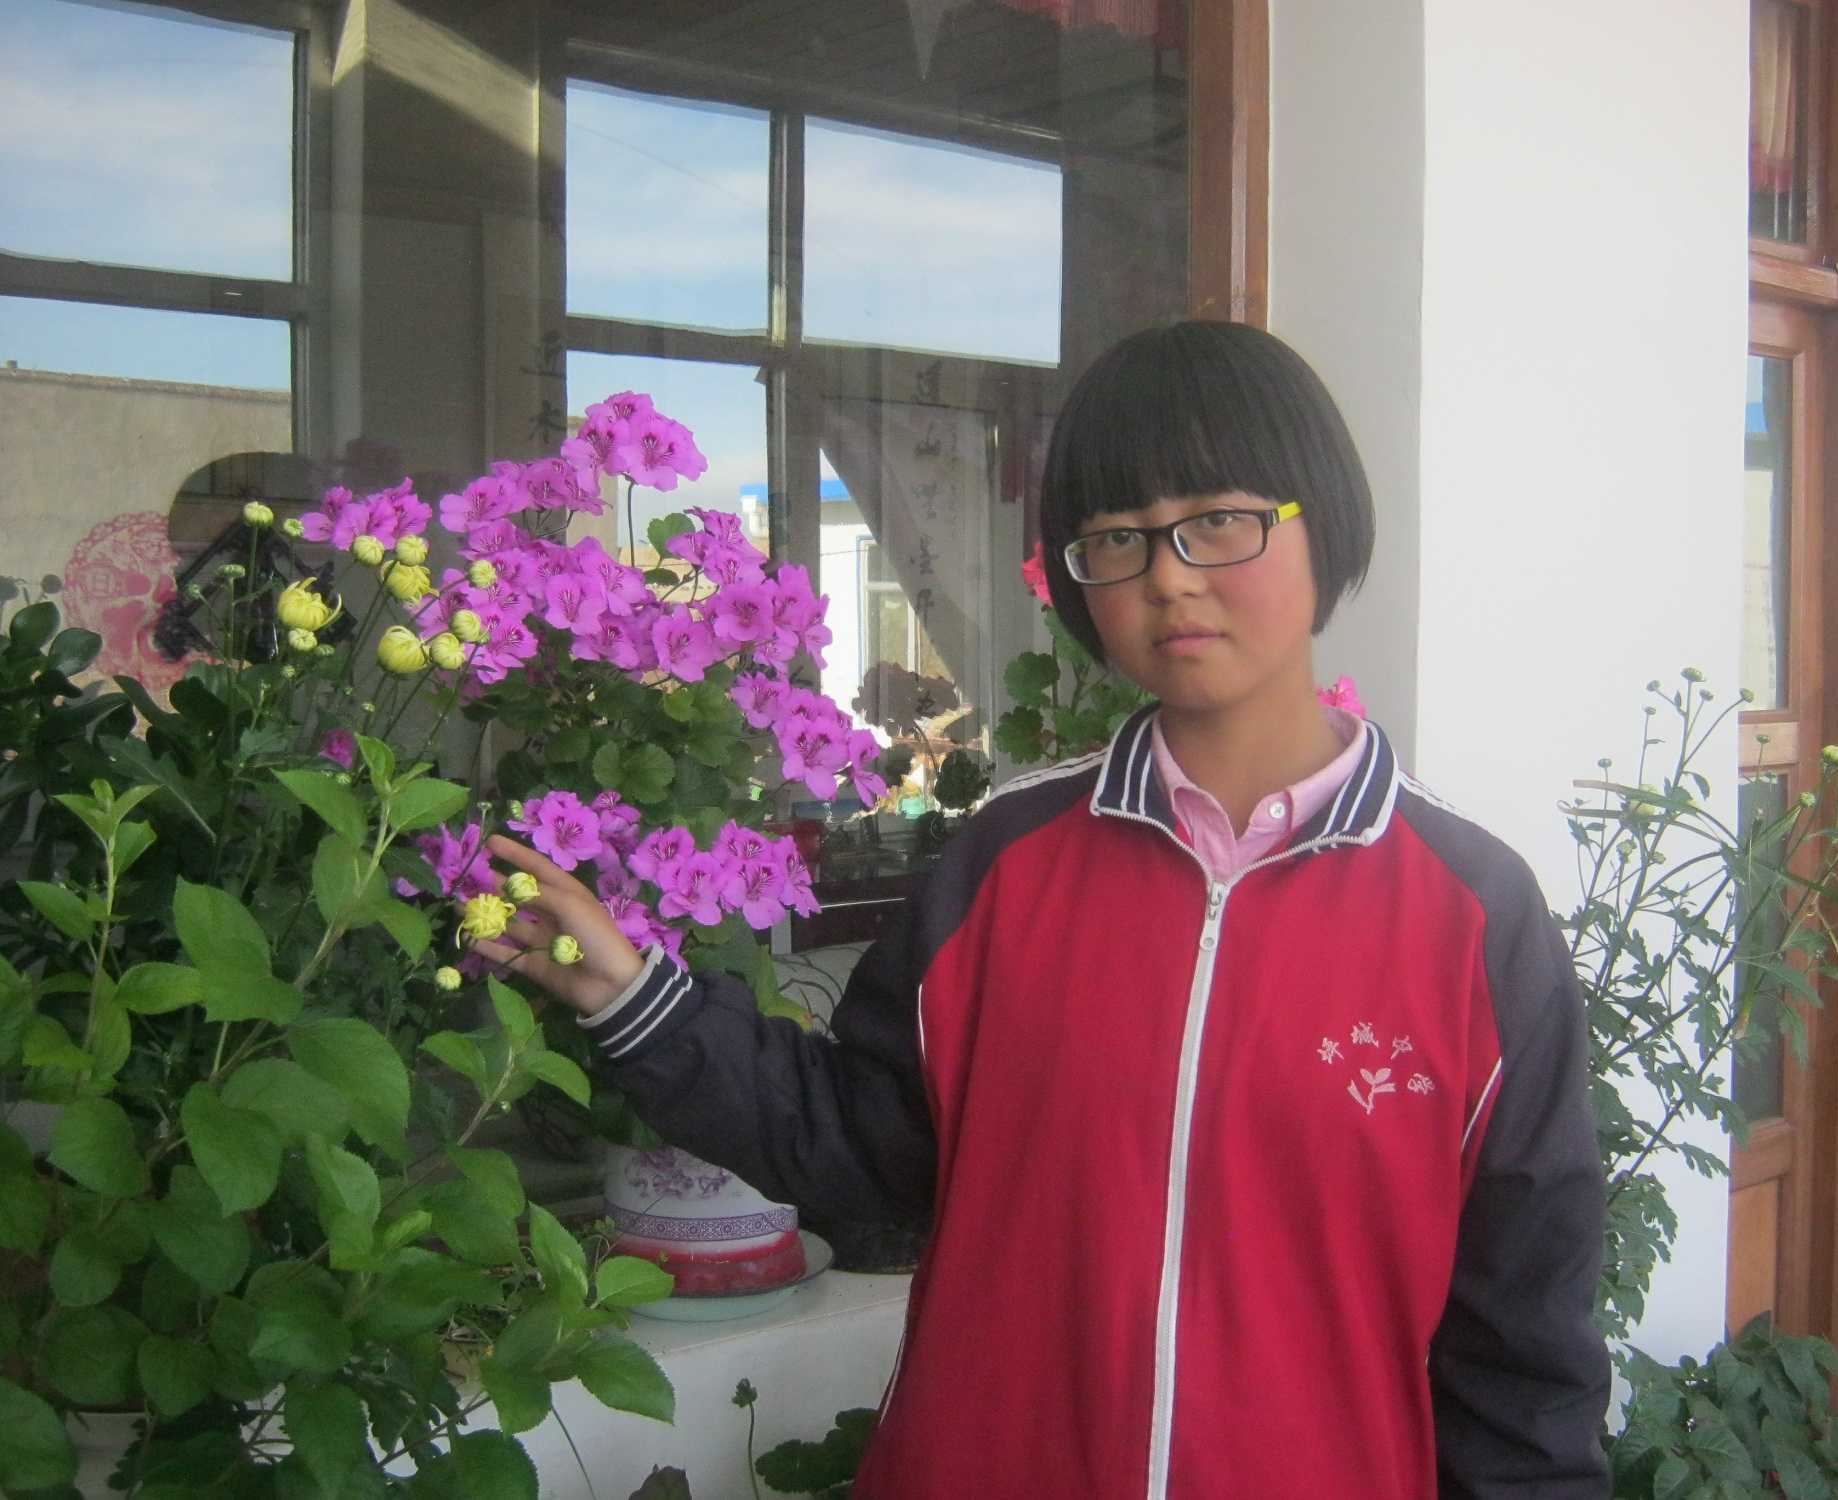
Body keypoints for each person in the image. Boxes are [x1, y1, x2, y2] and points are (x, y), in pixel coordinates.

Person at [482, 321, 1611, 1499]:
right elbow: (864, 1154)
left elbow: (1519, 1360)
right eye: (1116, 539)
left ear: (1320, 520)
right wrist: (639, 1001)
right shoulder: (1004, 865)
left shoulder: (1470, 918)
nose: (1168, 576)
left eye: (1217, 520)